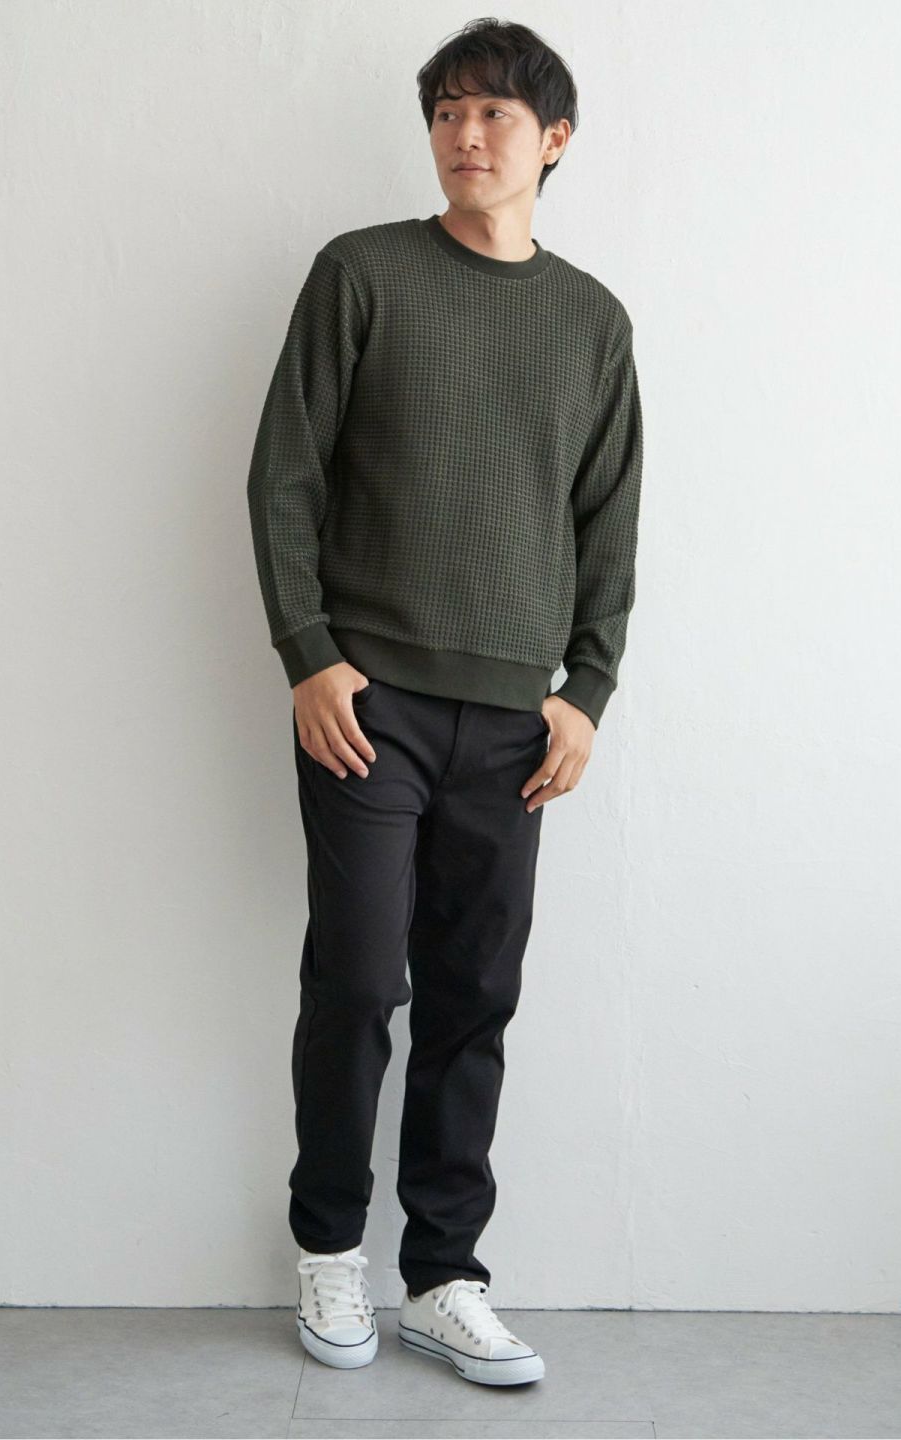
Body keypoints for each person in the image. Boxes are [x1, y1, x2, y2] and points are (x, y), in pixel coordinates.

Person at [246, 17, 644, 1388]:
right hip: (367, 707)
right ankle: (328, 1247)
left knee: (476, 995)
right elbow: (284, 472)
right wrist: (309, 652)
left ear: (554, 140)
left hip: (515, 725)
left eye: (495, 114)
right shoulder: (361, 274)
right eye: (447, 113)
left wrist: (587, 690)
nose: (466, 136)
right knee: (360, 980)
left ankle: (443, 1275)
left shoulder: (593, 321)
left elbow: (609, 518)